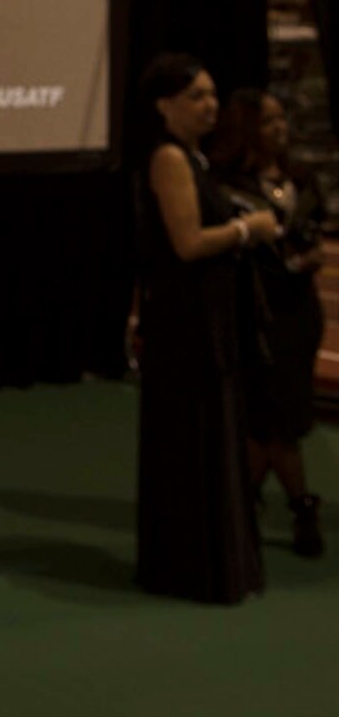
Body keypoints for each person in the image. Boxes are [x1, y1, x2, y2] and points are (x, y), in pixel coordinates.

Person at [133, 53, 277, 603]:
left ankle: (212, 563)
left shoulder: (194, 157)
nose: (210, 105)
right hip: (185, 327)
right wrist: (247, 229)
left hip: (207, 320)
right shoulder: (170, 158)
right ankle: (190, 568)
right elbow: (188, 243)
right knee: (191, 438)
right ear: (164, 105)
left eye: (212, 94)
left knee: (212, 434)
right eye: (196, 96)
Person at [209, 88, 326, 557]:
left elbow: (315, 229)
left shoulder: (301, 178)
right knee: (272, 420)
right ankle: (301, 506)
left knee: (274, 420)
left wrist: (310, 255)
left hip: (300, 311)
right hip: (257, 311)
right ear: (247, 129)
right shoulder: (228, 185)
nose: (280, 129)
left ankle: (245, 501)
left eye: (282, 119)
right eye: (268, 121)